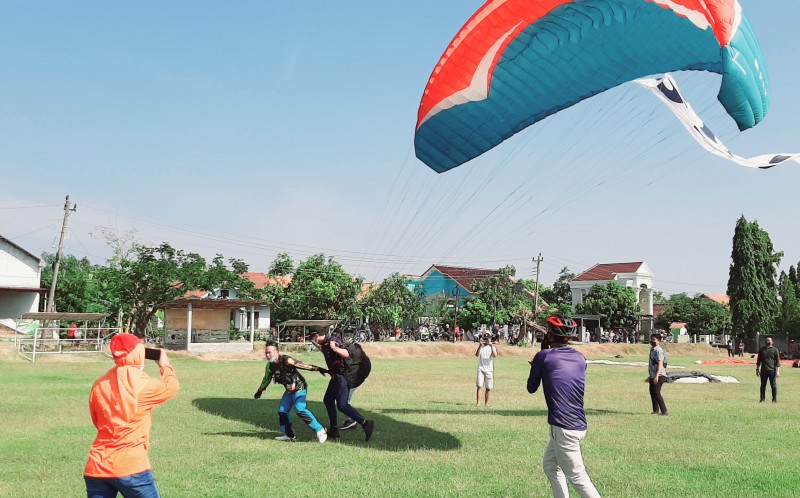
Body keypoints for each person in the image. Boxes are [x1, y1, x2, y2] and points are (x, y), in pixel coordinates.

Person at [84, 333, 179, 498]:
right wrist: (165, 366)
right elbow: (172, 387)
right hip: (132, 467)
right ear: (139, 353)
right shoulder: (145, 384)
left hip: (97, 466)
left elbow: (97, 420)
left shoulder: (99, 384)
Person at [527, 315, 601, 498]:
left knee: (578, 477)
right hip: (577, 425)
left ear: (550, 335)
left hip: (564, 428)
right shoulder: (580, 358)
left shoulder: (544, 357)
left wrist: (537, 363)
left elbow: (531, 388)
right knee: (551, 466)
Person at [253, 341, 329, 442]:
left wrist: (319, 369)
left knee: (300, 409)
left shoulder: (287, 360)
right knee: (282, 412)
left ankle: (320, 431)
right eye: (266, 353)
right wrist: (260, 390)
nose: (267, 355)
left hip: (300, 388)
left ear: (277, 351)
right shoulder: (269, 366)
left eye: (269, 352)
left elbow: (302, 365)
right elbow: (266, 379)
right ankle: (289, 435)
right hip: (289, 391)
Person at [311, 327, 375, 441]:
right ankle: (334, 429)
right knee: (328, 400)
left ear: (317, 335)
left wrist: (335, 348)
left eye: (312, 337)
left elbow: (347, 353)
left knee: (342, 405)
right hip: (336, 377)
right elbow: (328, 353)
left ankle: (365, 423)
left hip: (343, 378)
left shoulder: (334, 341)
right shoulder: (325, 344)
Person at [647, 333, 668, 416]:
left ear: (659, 341)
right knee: (652, 392)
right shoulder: (652, 349)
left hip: (659, 375)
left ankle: (664, 411)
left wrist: (656, 376)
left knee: (656, 392)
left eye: (654, 340)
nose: (652, 341)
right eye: (651, 339)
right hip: (653, 375)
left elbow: (660, 364)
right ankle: (655, 410)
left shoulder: (658, 350)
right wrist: (651, 376)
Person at [475, 332, 497, 407]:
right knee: (479, 386)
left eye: (487, 339)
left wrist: (491, 345)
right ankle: (478, 403)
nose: (486, 340)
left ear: (490, 339)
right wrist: (479, 346)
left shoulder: (492, 347)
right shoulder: (481, 347)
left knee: (488, 387)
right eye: (485, 339)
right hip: (481, 368)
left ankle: (486, 403)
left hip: (489, 369)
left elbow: (495, 355)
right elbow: (477, 355)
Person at [756, 337, 781, 403]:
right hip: (763, 371)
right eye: (767, 340)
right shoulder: (762, 350)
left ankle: (774, 399)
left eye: (769, 340)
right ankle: (762, 399)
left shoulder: (775, 350)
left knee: (773, 385)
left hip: (772, 370)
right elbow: (758, 361)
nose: (768, 341)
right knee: (763, 385)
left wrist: (778, 371)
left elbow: (778, 362)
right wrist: (757, 369)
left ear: (772, 342)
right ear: (765, 341)